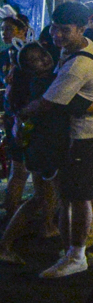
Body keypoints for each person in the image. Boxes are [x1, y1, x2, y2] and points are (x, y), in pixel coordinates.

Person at [22, 4, 93, 278]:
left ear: (81, 29)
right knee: (70, 196)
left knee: (79, 198)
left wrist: (18, 115)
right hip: (76, 135)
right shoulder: (78, 48)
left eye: (64, 30)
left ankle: (76, 256)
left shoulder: (78, 65)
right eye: (54, 28)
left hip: (83, 137)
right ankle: (73, 250)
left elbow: (47, 103)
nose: (57, 35)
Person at [0, 39, 62, 266]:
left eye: (43, 55)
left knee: (44, 194)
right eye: (34, 60)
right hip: (41, 147)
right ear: (27, 68)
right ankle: (5, 244)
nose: (43, 60)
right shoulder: (42, 84)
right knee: (40, 196)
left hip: (39, 147)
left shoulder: (40, 81)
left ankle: (47, 227)